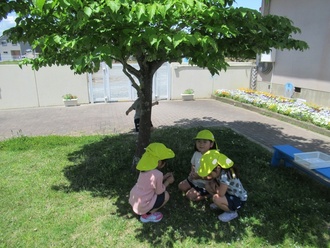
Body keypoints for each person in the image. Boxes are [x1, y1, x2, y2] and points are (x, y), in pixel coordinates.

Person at [129, 142, 175, 223]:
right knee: (166, 195)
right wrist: (168, 181)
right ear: (159, 162)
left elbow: (150, 183)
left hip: (135, 200)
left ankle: (143, 210)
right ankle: (147, 215)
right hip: (143, 205)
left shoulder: (143, 169)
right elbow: (159, 192)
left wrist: (164, 177)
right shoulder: (158, 174)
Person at [197, 150, 248, 222]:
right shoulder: (220, 171)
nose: (208, 175)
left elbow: (221, 193)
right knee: (208, 185)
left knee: (216, 198)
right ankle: (221, 204)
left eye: (210, 173)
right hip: (228, 193)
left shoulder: (225, 176)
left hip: (238, 199)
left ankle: (232, 212)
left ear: (218, 168)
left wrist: (215, 188)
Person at [178, 130, 218, 201]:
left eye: (204, 142)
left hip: (205, 184)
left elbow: (212, 176)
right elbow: (193, 164)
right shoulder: (196, 153)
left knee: (189, 196)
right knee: (181, 186)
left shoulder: (213, 157)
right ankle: (194, 189)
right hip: (194, 179)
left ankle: (209, 194)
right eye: (198, 141)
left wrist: (199, 177)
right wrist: (192, 172)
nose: (201, 144)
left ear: (211, 144)